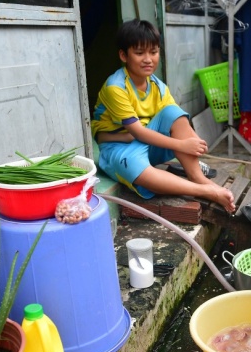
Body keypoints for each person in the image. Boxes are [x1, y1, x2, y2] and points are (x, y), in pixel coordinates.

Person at [91, 19, 236, 213]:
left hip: (143, 142)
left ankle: (197, 177)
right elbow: (139, 134)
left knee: (172, 112)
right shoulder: (116, 87)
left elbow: (175, 121)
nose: (148, 59)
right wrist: (183, 145)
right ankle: (204, 190)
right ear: (124, 55)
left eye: (153, 52)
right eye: (139, 53)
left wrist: (191, 140)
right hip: (117, 149)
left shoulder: (157, 86)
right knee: (135, 167)